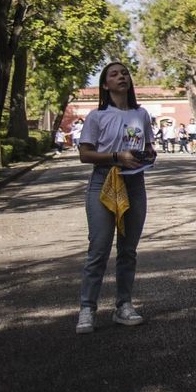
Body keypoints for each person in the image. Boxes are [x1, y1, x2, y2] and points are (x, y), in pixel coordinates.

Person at [75, 61, 155, 333]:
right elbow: (85, 154)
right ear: (105, 84)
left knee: (128, 250)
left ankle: (123, 306)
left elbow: (148, 146)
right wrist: (115, 157)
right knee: (98, 250)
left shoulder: (141, 114)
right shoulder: (97, 116)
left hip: (135, 183)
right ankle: (87, 309)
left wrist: (148, 156)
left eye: (125, 73)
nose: (121, 77)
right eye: (114, 74)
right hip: (104, 182)